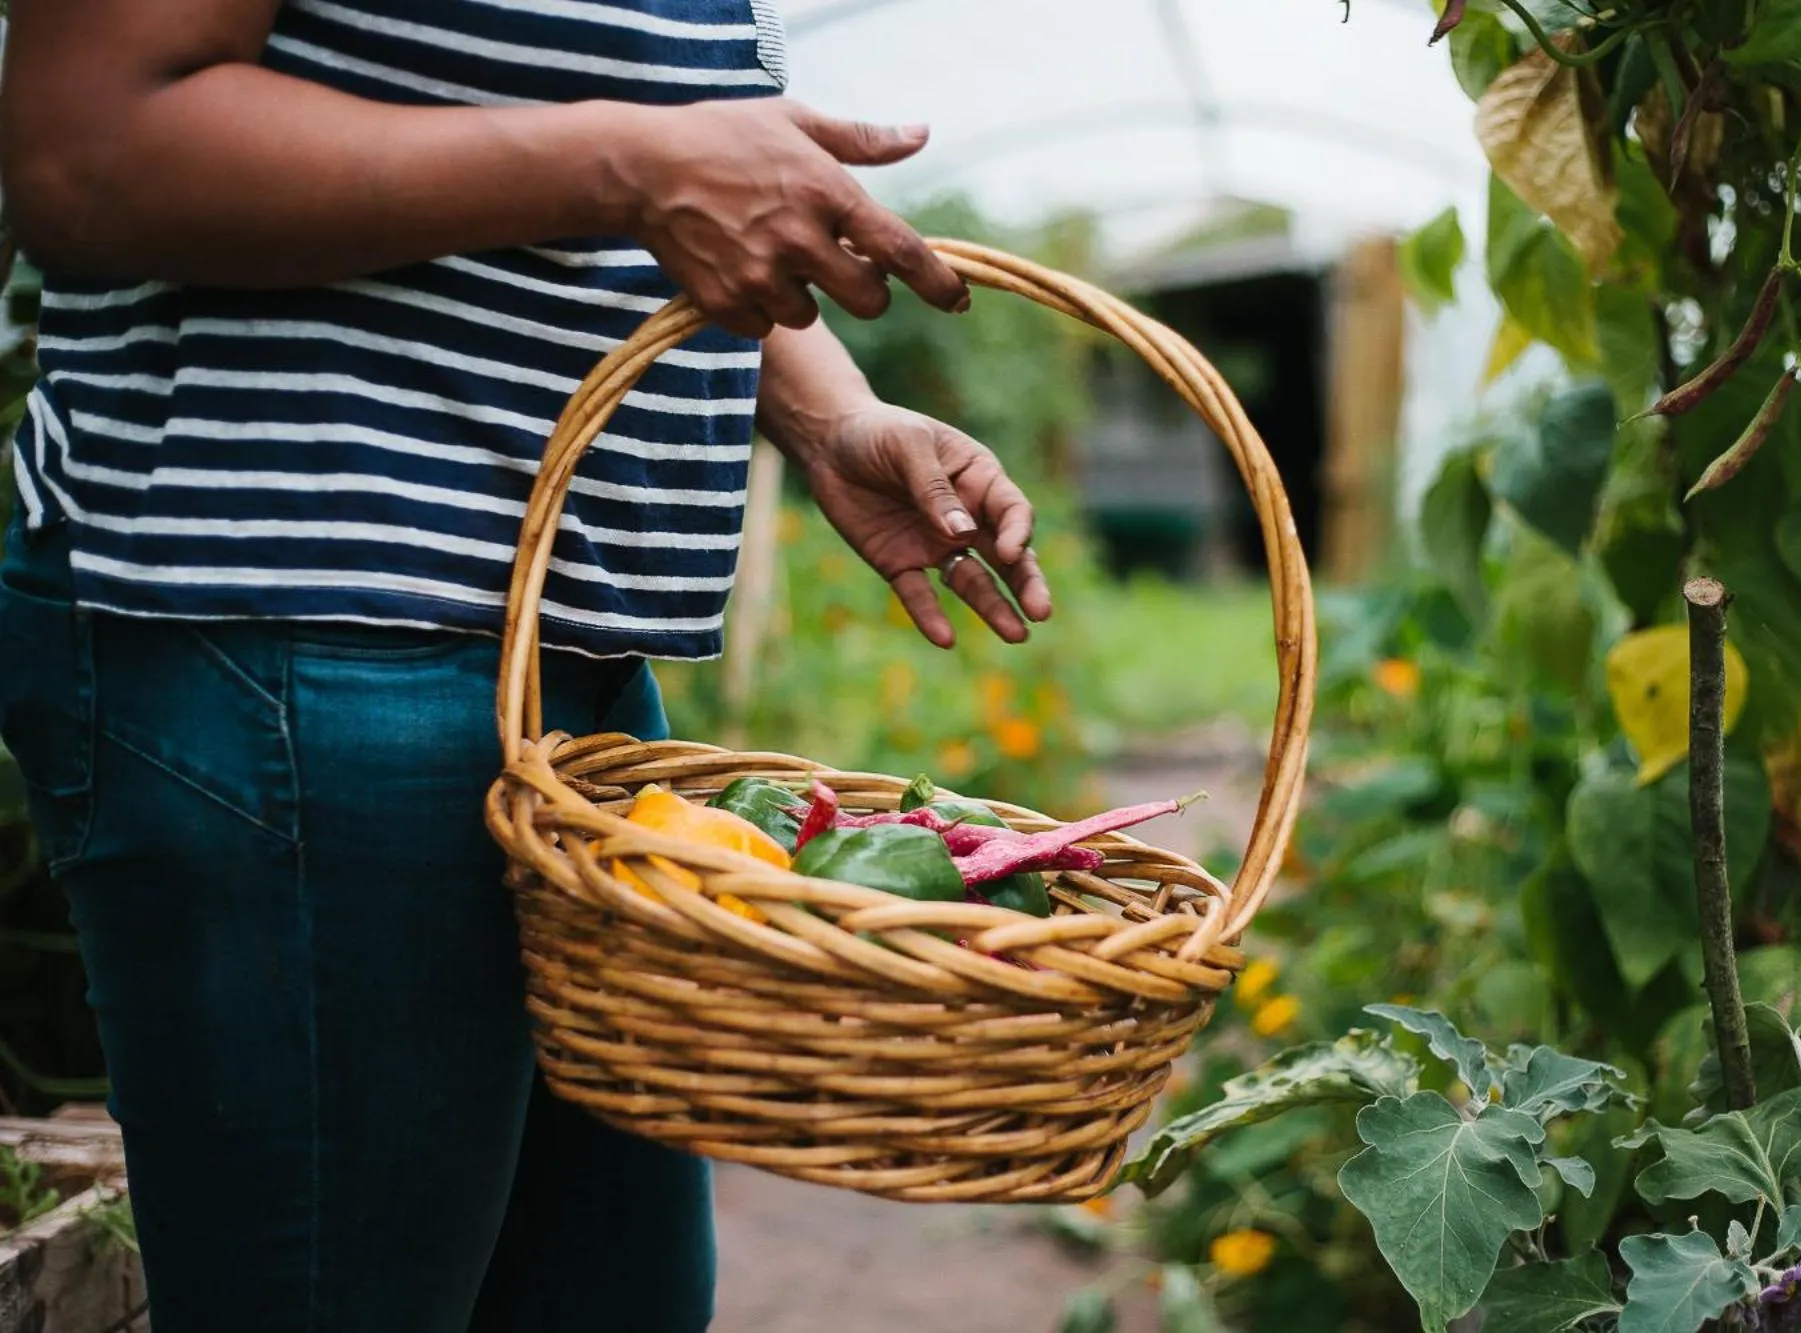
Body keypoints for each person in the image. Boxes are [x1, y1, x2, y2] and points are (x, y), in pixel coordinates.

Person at [0, 2, 1052, 1329]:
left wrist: (835, 412)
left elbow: (629, 177)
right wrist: (628, 161)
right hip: (303, 642)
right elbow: (87, 147)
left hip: (567, 671)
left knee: (616, 1301)